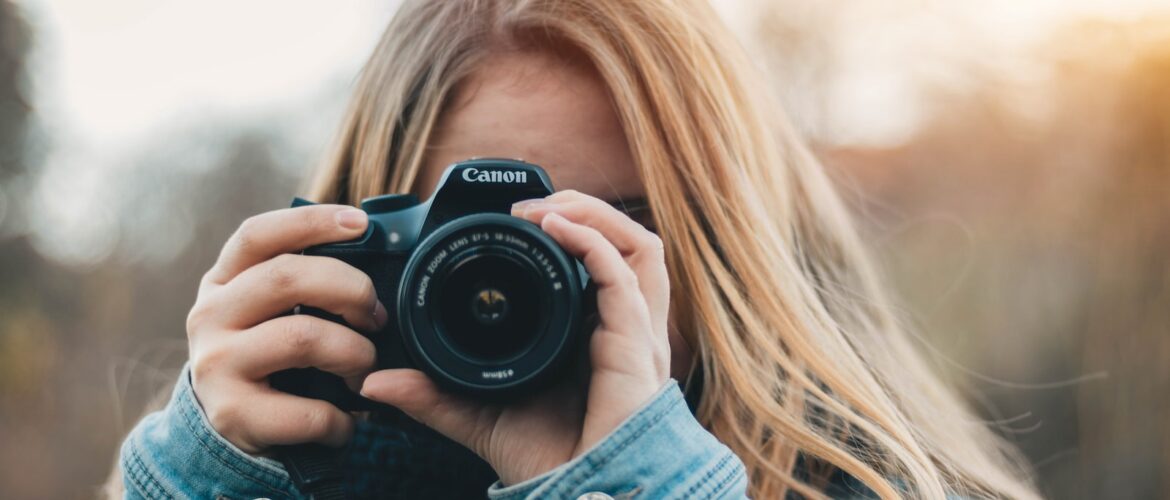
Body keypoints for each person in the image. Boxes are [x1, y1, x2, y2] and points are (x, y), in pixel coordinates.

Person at [111, 0, 1042, 498]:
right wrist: (203, 488)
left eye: (614, 227)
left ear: (728, 250)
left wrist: (641, 492)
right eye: (481, 243)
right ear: (365, 248)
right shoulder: (279, 464)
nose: (540, 283)